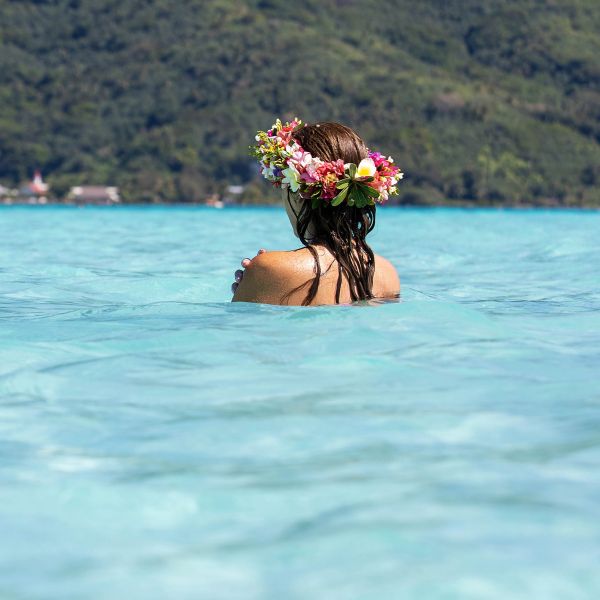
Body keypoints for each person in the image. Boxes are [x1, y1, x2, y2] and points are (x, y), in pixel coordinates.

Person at [231, 119, 403, 306]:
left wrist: (257, 280)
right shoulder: (388, 274)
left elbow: (241, 323)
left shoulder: (268, 269)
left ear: (297, 195)